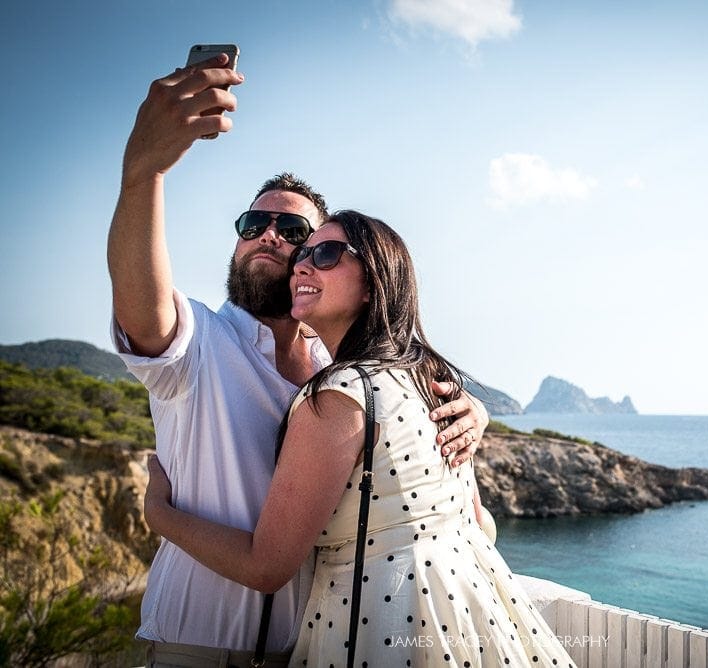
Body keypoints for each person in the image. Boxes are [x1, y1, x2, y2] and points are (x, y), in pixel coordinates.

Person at [107, 56, 487, 666]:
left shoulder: (339, 367)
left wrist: (474, 413)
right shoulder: (197, 343)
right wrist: (143, 173)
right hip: (197, 643)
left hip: (310, 646)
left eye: (294, 231)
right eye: (254, 222)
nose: (269, 235)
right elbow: (140, 304)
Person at [144, 211, 575, 667]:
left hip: (373, 630)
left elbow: (265, 567)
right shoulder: (429, 379)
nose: (302, 266)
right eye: (304, 254)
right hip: (478, 621)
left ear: (373, 284)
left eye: (326, 253)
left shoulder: (336, 397)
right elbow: (482, 525)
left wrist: (160, 515)